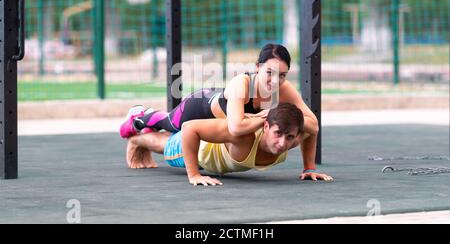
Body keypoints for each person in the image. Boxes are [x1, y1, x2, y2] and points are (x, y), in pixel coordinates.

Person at [120, 44, 320, 158]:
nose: (276, 81)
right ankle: (139, 117)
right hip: (198, 107)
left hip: (218, 112)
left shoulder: (284, 88)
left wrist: (308, 164)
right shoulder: (242, 83)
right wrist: (266, 116)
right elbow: (236, 127)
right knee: (169, 124)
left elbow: (313, 125)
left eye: (282, 75)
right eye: (270, 72)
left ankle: (145, 130)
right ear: (258, 67)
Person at [126, 103, 333, 186]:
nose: (282, 143)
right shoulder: (244, 136)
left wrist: (309, 167)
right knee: (165, 144)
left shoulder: (291, 139)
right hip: (200, 149)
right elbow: (190, 129)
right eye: (278, 134)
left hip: (216, 156)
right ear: (266, 126)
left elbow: (310, 132)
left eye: (289, 137)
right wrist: (194, 175)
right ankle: (138, 136)